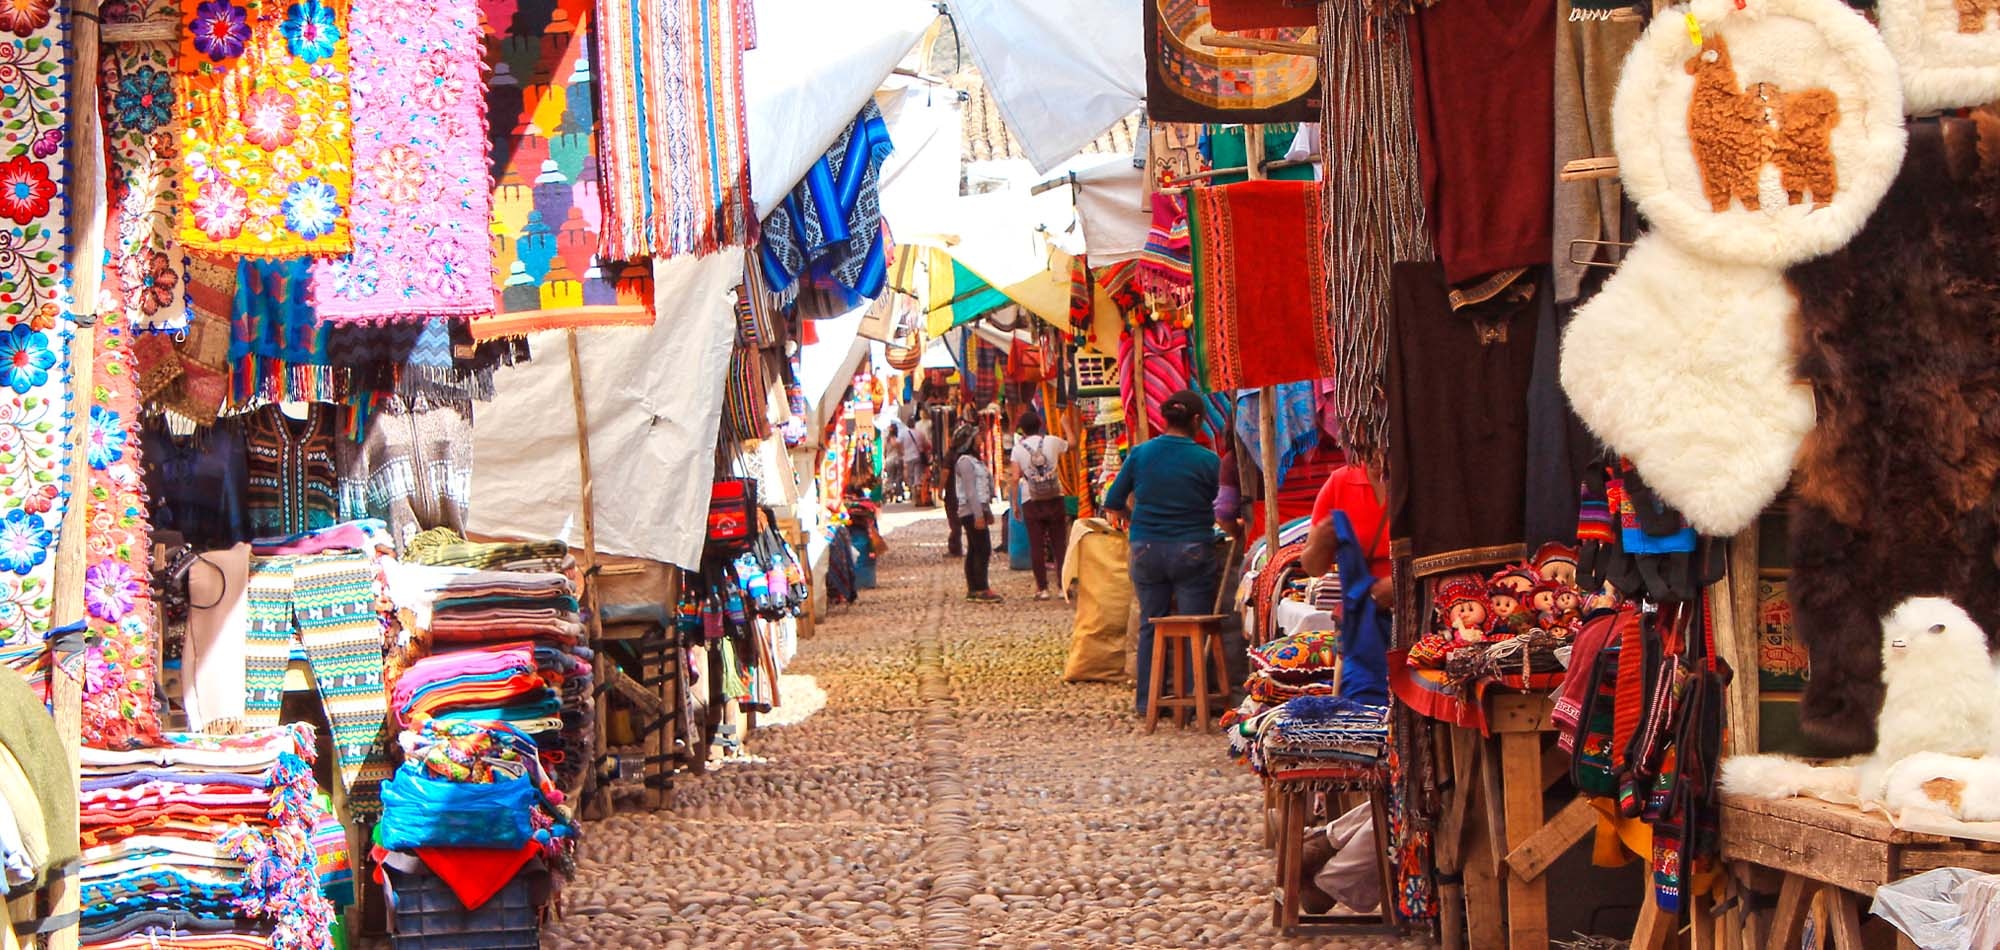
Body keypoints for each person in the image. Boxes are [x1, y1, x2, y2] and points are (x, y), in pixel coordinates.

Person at [1101, 390, 1221, 715]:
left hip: (1146, 549)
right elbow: (1216, 503)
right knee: (1191, 625)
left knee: (1151, 624)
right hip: (1193, 549)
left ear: (1165, 419)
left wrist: (1136, 519)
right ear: (1196, 420)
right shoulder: (1208, 460)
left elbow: (1112, 502)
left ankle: (1147, 703)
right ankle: (1191, 702)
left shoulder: (1140, 454)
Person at [1007, 411, 1070, 600]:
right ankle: (1063, 586)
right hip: (1054, 496)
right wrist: (1066, 425)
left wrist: (1015, 504)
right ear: (1040, 424)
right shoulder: (1052, 441)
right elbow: (1072, 445)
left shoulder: (1018, 449)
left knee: (1036, 545)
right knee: (1059, 543)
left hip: (1030, 499)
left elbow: (1015, 478)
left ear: (1022, 430)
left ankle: (1042, 589)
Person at [951, 423, 1002, 602]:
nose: (981, 439)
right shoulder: (965, 462)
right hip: (971, 512)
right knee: (983, 548)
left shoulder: (974, 461)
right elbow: (971, 490)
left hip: (976, 510)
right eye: (977, 436)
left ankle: (974, 588)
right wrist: (979, 515)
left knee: (975, 548)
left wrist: (985, 510)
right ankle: (981, 588)